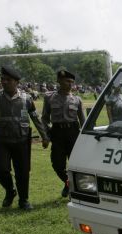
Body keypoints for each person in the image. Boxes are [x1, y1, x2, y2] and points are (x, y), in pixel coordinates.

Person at [0, 66, 49, 210]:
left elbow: (35, 118)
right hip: (3, 142)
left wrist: (44, 137)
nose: (4, 82)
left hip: (22, 141)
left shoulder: (26, 98)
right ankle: (10, 191)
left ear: (16, 82)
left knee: (23, 172)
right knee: (1, 170)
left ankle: (24, 200)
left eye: (8, 80)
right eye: (3, 79)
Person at [42, 69, 85, 197]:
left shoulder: (77, 99)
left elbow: (83, 120)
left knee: (75, 163)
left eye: (72, 82)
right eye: (67, 81)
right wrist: (46, 134)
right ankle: (68, 183)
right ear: (59, 81)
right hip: (57, 133)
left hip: (73, 132)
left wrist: (85, 137)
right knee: (57, 163)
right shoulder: (49, 97)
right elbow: (44, 118)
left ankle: (75, 188)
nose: (70, 84)